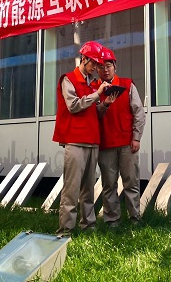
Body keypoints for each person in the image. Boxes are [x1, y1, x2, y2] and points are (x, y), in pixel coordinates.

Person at [53, 40, 112, 234]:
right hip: (75, 140)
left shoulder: (93, 83)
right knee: (71, 188)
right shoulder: (68, 79)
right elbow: (73, 106)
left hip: (92, 141)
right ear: (83, 58)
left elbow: (94, 112)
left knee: (88, 189)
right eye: (93, 62)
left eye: (98, 64)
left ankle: (88, 225)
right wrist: (97, 95)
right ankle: (66, 229)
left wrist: (105, 104)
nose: (96, 67)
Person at [95, 46, 146, 226]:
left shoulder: (127, 85)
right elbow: (93, 115)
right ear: (97, 70)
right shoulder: (95, 90)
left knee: (131, 182)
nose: (105, 70)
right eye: (101, 67)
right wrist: (104, 104)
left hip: (127, 143)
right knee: (109, 184)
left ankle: (135, 218)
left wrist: (136, 137)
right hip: (105, 144)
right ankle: (112, 221)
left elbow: (139, 112)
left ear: (115, 66)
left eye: (108, 66)